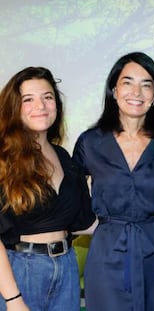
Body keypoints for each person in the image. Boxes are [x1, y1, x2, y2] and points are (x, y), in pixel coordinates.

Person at [72, 52, 154, 311]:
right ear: (114, 90)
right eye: (127, 82)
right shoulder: (90, 142)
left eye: (146, 84)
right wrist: (98, 229)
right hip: (107, 254)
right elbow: (71, 202)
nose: (137, 91)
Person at [0, 67, 95, 311]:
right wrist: (13, 299)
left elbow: (84, 222)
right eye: (28, 99)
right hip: (19, 273)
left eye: (48, 97)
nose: (41, 105)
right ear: (13, 107)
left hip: (67, 268)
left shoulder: (64, 157)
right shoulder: (4, 159)